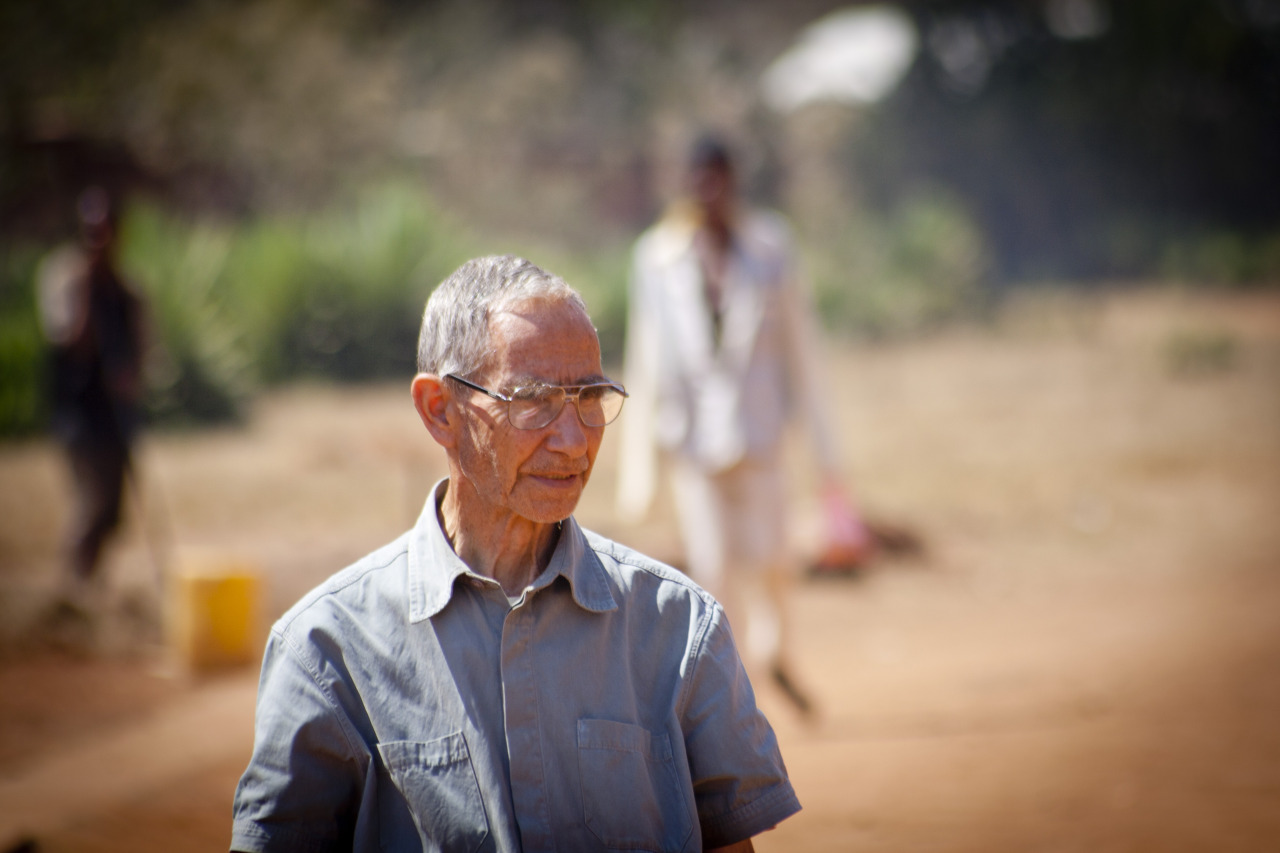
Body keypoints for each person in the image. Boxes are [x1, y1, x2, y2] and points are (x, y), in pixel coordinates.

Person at [231, 255, 800, 852]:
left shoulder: (680, 627)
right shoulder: (328, 650)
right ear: (440, 411)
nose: (574, 438)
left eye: (590, 396)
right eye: (532, 400)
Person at [616, 136, 871, 714]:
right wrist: (640, 472)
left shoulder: (770, 247)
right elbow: (645, 358)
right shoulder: (656, 257)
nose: (709, 191)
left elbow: (803, 350)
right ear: (684, 185)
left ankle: (775, 650)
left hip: (759, 439)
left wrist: (828, 454)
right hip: (693, 446)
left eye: (719, 178)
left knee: (774, 559)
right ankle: (728, 695)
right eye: (698, 179)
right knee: (711, 569)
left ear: (733, 181)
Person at [37, 186, 147, 603]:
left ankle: (90, 589)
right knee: (91, 499)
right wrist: (86, 287)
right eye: (90, 231)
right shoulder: (63, 278)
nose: (97, 241)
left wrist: (129, 379)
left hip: (115, 414)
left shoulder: (130, 290)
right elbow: (72, 341)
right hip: (77, 413)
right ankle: (71, 590)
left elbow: (142, 352)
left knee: (113, 512)